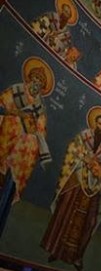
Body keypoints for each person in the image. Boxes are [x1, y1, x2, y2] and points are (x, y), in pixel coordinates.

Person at [41, 107, 101, 271]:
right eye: (98, 123)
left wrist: (100, 168)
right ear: (94, 123)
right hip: (77, 180)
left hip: (93, 187)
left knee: (88, 222)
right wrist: (84, 159)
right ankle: (56, 250)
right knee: (66, 212)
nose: (100, 127)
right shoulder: (84, 136)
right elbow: (72, 150)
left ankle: (77, 257)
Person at [0, 57, 54, 236]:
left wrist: (33, 130)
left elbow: (41, 131)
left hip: (20, 155)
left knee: (31, 143)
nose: (36, 83)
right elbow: (2, 106)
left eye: (40, 82)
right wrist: (17, 115)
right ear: (29, 78)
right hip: (5, 138)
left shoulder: (40, 107)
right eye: (35, 79)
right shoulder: (16, 90)